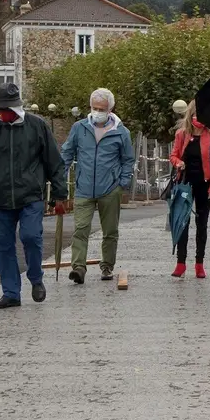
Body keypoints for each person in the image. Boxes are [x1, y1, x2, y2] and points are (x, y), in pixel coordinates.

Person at [0, 83, 68, 309]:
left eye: (6, 110)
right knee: (4, 246)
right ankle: (11, 293)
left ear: (16, 108)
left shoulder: (37, 127)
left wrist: (60, 195)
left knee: (31, 237)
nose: (2, 114)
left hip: (30, 196)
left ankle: (36, 279)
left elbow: (55, 163)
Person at [60, 87, 136, 285]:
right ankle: (78, 268)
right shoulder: (79, 128)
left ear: (110, 109)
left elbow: (128, 159)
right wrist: (60, 175)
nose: (97, 112)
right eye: (94, 107)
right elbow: (67, 152)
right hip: (84, 188)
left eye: (101, 108)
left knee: (110, 231)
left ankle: (107, 266)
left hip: (110, 189)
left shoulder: (121, 132)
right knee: (81, 228)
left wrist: (122, 182)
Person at [168, 100, 210, 279]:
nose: (198, 117)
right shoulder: (182, 134)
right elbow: (173, 155)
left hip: (205, 184)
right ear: (190, 114)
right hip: (185, 183)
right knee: (182, 222)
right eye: (196, 113)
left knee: (202, 223)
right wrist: (178, 162)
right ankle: (180, 263)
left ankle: (199, 263)